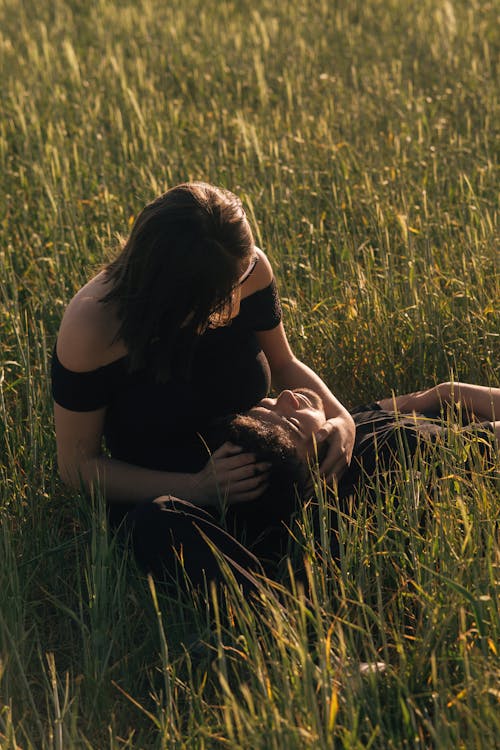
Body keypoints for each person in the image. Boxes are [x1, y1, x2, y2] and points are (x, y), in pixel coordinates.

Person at [51, 182, 355, 589]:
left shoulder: (244, 268)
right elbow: (77, 466)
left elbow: (284, 363)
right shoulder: (92, 328)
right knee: (157, 526)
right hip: (173, 496)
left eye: (238, 283)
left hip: (271, 462)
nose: (233, 304)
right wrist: (198, 488)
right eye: (217, 299)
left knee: (396, 437)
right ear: (169, 294)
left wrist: (342, 419)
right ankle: (281, 615)